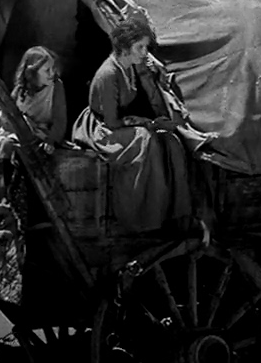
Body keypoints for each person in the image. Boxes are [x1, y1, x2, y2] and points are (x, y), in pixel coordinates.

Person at [72, 13, 215, 235]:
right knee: (145, 140)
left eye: (145, 47)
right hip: (102, 129)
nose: (144, 53)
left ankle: (174, 212)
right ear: (125, 47)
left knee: (169, 139)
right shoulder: (108, 74)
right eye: (140, 47)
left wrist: (153, 122)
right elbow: (112, 122)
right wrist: (144, 123)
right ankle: (140, 216)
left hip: (122, 123)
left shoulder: (130, 66)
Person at [0, 45, 67, 224]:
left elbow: (60, 120)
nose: (51, 73)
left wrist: (52, 140)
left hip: (38, 133)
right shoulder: (21, 90)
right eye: (46, 70)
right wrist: (16, 123)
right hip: (13, 130)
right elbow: (5, 115)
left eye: (53, 69)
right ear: (32, 72)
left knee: (8, 147)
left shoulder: (56, 88)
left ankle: (6, 199)